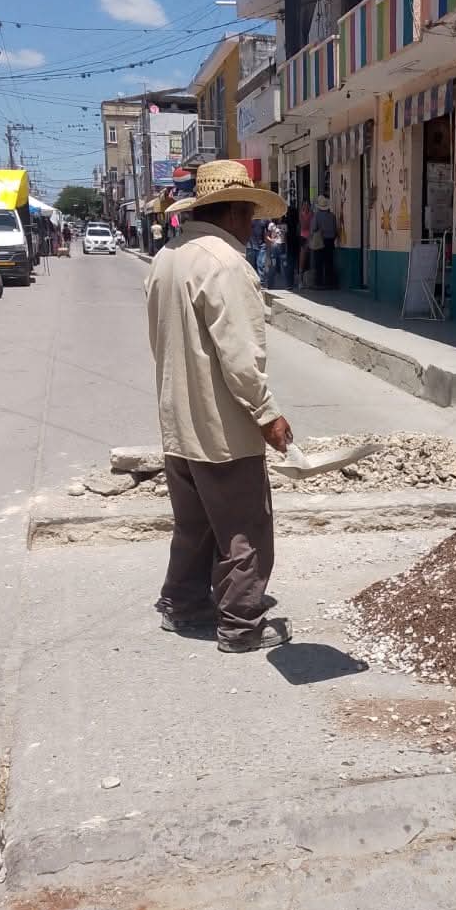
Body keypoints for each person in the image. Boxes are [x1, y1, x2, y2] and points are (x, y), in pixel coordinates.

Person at [145, 159, 294, 653]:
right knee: (243, 530)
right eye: (250, 214)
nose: (252, 225)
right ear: (235, 212)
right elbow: (241, 358)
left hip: (177, 423)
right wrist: (268, 413)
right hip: (222, 429)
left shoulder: (168, 256)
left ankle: (183, 604)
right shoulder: (227, 265)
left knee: (195, 524)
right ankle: (240, 626)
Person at [312, 193, 337, 288]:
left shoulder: (317, 216)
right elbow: (335, 230)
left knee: (318, 262)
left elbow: (314, 228)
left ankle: (319, 283)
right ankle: (329, 282)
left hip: (320, 241)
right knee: (329, 262)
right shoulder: (332, 216)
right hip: (330, 241)